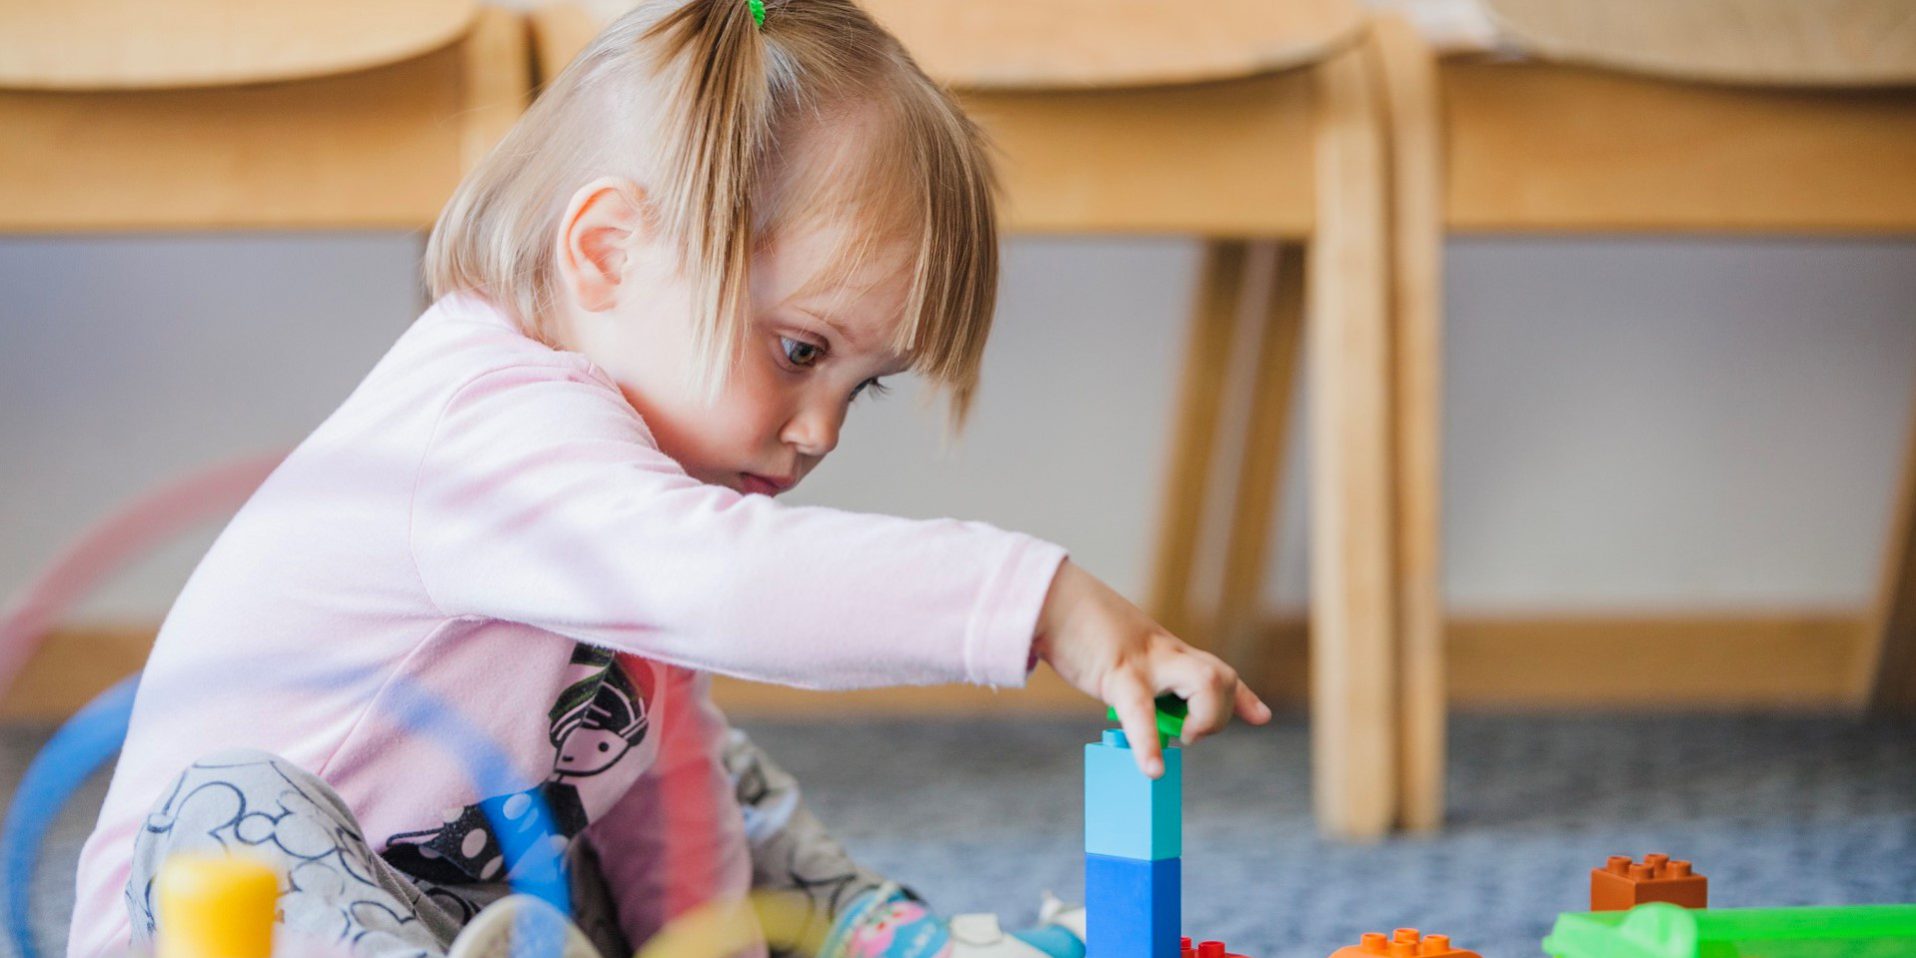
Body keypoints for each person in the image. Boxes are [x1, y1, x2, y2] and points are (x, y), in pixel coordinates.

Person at [68, 3, 1270, 957]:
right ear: (607, 252)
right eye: (799, 352)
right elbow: (732, 586)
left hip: (467, 907)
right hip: (222, 920)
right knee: (223, 804)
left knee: (666, 754)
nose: (820, 432)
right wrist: (1038, 600)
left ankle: (873, 932)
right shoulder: (485, 423)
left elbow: (666, 796)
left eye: (860, 385)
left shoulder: (643, 498)